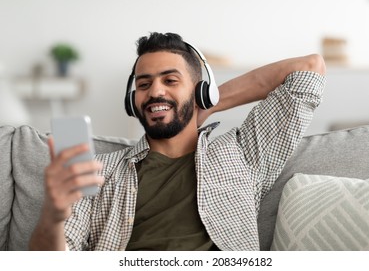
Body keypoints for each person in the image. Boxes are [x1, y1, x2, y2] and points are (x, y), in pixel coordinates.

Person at [29, 32, 326, 251]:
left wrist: (208, 104)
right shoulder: (98, 172)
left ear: (199, 92)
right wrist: (53, 217)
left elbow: (309, 68)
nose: (155, 92)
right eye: (144, 84)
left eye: (170, 81)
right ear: (133, 102)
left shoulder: (242, 153)